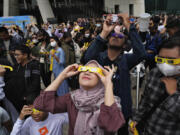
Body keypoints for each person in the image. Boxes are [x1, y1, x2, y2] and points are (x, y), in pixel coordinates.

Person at [83, 14, 146, 135]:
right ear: (107, 41)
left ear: (124, 45)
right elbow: (87, 58)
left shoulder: (126, 60)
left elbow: (142, 54)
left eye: (120, 35)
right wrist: (105, 32)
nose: (116, 36)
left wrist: (129, 26)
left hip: (122, 110)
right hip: (100, 110)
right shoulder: (99, 58)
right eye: (113, 35)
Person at [34, 60, 125, 135]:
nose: (87, 72)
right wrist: (62, 76)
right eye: (84, 69)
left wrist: (108, 85)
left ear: (102, 79)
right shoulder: (72, 98)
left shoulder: (110, 101)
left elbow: (111, 125)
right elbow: (41, 104)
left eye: (93, 70)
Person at [131, 36, 180, 135]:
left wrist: (174, 94)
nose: (165, 65)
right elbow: (145, 100)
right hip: (147, 130)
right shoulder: (154, 73)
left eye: (171, 61)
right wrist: (137, 119)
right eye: (161, 59)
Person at [13, 45, 40, 112]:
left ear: (25, 55)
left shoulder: (33, 65)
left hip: (30, 98)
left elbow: (35, 82)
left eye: (17, 55)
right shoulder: (16, 66)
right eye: (15, 55)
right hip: (19, 98)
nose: (15, 57)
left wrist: (26, 95)